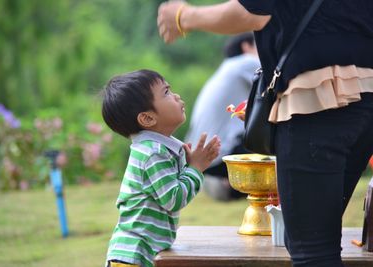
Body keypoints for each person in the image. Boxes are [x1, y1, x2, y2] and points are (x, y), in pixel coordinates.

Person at [157, 1, 373, 266]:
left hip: (318, 100)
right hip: (366, 98)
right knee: (317, 235)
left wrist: (184, 17)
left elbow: (252, 11)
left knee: (312, 249)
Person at [101, 69, 221, 267]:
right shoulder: (152, 153)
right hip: (133, 255)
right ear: (147, 119)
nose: (176, 96)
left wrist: (188, 167)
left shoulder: (158, 148)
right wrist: (196, 168)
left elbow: (167, 189)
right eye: (166, 92)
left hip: (141, 251)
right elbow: (173, 198)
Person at [185, 33, 259, 201]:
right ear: (246, 47)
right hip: (221, 153)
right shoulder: (245, 62)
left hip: (202, 157)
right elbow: (281, 73)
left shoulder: (225, 70)